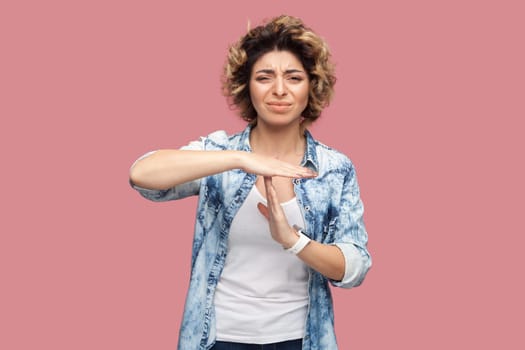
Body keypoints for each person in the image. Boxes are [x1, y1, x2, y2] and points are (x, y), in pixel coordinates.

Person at [129, 15, 371, 350]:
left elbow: (354, 267)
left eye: (294, 77)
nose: (280, 90)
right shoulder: (218, 154)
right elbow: (142, 175)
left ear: (310, 87)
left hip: (301, 340)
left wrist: (294, 241)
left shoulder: (334, 168)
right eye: (264, 77)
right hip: (218, 339)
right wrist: (240, 158)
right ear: (247, 87)